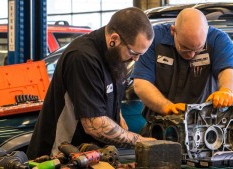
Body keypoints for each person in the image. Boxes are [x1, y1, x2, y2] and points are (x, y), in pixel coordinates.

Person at [27, 7, 155, 159]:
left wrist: (118, 116)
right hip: (59, 155)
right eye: (134, 53)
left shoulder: (114, 55)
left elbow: (108, 93)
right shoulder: (82, 58)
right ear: (114, 39)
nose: (136, 59)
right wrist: (139, 140)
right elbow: (93, 125)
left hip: (91, 155)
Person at [131, 8, 233, 118]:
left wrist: (226, 91)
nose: (191, 55)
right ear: (173, 31)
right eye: (185, 48)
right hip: (161, 122)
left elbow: (228, 72)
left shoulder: (218, 40)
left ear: (206, 32)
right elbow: (141, 83)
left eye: (198, 49)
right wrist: (167, 107)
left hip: (203, 124)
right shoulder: (154, 39)